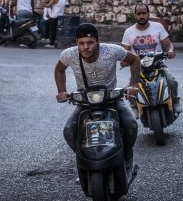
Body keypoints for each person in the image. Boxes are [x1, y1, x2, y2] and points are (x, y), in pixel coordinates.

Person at [54, 23, 140, 164]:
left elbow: (135, 60)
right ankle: (86, 162)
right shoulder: (69, 54)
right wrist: (61, 91)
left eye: (90, 43)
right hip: (85, 102)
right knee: (69, 131)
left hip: (112, 100)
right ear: (77, 43)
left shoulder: (112, 51)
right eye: (81, 43)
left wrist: (133, 84)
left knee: (130, 125)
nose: (85, 47)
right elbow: (59, 69)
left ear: (98, 41)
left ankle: (125, 157)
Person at [121, 3, 181, 113]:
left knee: (172, 81)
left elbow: (167, 45)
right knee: (128, 89)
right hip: (138, 67)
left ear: (148, 14)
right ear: (135, 15)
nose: (141, 16)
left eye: (144, 13)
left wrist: (170, 51)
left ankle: (175, 101)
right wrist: (124, 61)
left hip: (157, 64)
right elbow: (124, 52)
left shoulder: (158, 27)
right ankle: (134, 106)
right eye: (138, 14)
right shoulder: (129, 32)